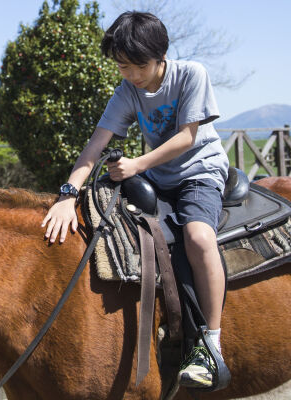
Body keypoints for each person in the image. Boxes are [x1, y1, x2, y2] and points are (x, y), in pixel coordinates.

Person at [41, 11, 229, 389]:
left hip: (199, 173)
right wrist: (67, 194)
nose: (131, 75)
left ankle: (211, 342)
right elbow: (97, 144)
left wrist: (137, 164)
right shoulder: (127, 91)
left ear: (160, 56)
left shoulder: (191, 74)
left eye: (137, 66)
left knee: (198, 238)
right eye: (122, 67)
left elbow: (187, 137)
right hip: (158, 177)